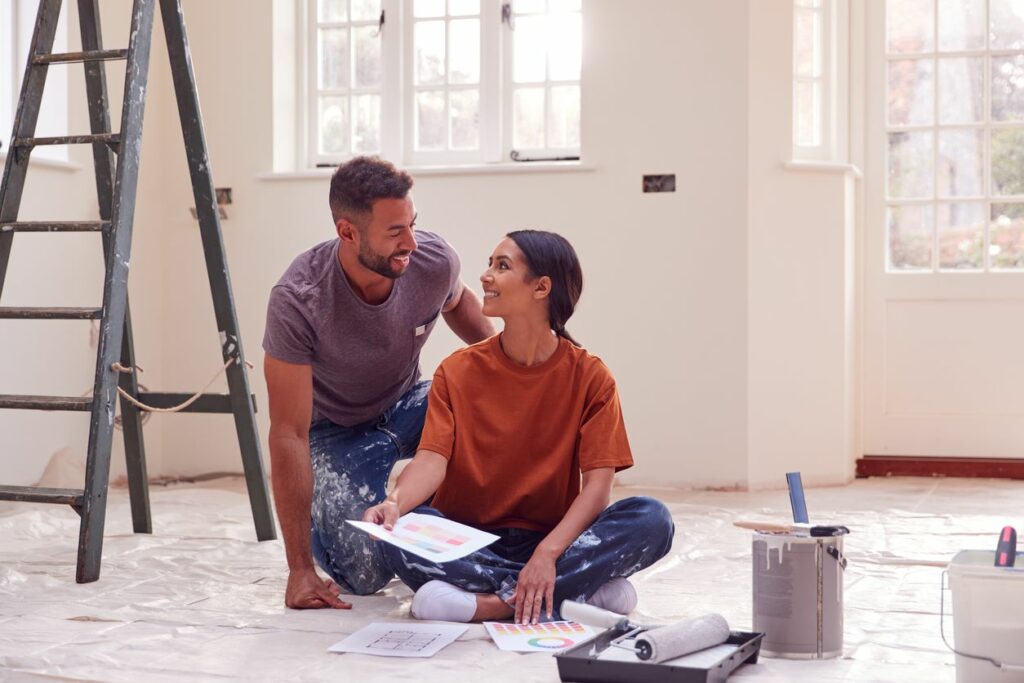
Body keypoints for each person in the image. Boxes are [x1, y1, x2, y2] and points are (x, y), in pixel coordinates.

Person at [362, 230, 674, 624]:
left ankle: (492, 604)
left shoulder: (591, 377)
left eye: (502, 266)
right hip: (465, 538)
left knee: (652, 519)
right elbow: (430, 460)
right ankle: (571, 593)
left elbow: (597, 488)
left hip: (553, 541)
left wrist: (547, 555)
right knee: (402, 534)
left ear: (541, 287)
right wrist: (394, 503)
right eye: (490, 264)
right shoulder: (457, 370)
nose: (485, 276)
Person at [263, 156, 495, 610]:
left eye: (412, 224)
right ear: (348, 232)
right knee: (364, 574)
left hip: (409, 405)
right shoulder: (299, 300)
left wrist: (523, 375)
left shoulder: (432, 261)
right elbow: (287, 432)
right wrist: (299, 571)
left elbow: (466, 313)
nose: (410, 241)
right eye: (394, 232)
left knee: (494, 395)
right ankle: (386, 517)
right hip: (335, 433)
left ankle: (465, 523)